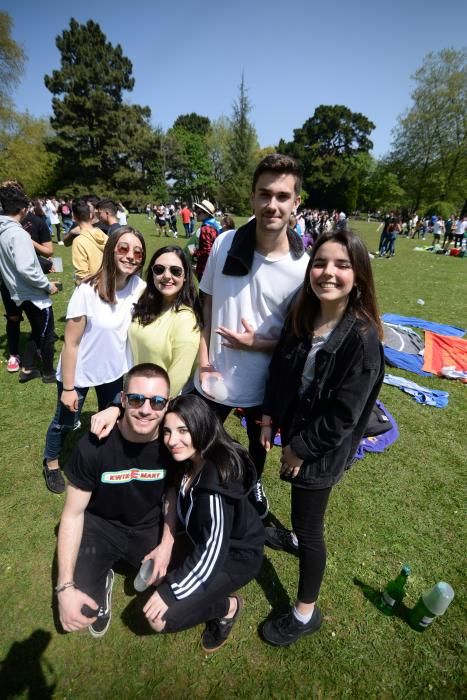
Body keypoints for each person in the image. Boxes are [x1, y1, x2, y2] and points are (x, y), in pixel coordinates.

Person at [259, 229, 384, 647]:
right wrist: (268, 418)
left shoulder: (362, 341)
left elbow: (343, 417)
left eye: (342, 265)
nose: (328, 273)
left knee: (310, 529)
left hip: (321, 450)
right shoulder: (304, 316)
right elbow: (281, 373)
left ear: (359, 276)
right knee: (300, 519)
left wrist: (297, 449)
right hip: (294, 433)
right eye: (320, 263)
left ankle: (304, 614)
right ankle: (292, 537)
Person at [194, 154, 309, 519]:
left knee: (258, 451)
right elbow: (206, 307)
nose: (272, 205)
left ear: (296, 203)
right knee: (199, 445)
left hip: (266, 386)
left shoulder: (302, 268)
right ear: (252, 197)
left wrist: (256, 344)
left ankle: (252, 484)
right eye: (264, 194)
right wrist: (204, 361)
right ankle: (198, 493)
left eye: (282, 196)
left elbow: (299, 342)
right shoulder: (226, 242)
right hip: (214, 376)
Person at [56, 363, 176, 639]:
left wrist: (167, 545)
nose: (146, 410)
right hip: (100, 527)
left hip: (147, 527)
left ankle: (131, 565)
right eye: (136, 399)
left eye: (157, 402)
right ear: (122, 400)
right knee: (83, 608)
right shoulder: (93, 445)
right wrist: (63, 587)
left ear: (167, 406)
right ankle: (104, 576)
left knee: (173, 595)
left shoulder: (174, 446)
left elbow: (172, 493)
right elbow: (73, 515)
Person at [142, 394, 264, 652]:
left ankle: (228, 607)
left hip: (235, 557)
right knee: (149, 565)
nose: (172, 440)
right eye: (167, 431)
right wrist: (167, 542)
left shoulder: (214, 484)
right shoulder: (190, 456)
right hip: (201, 538)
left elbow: (213, 551)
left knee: (159, 618)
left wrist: (170, 592)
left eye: (183, 430)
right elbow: (174, 488)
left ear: (201, 425)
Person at [42, 227, 146, 494]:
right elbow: (71, 343)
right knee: (64, 421)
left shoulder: (139, 288)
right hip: (78, 372)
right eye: (123, 248)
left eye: (137, 252)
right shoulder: (87, 290)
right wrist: (68, 388)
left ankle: (101, 464)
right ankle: (52, 462)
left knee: (110, 421)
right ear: (110, 249)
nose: (130, 256)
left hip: (113, 373)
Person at [0, 182, 59, 383]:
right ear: (23, 209)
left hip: (17, 292)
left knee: (37, 330)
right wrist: (46, 285)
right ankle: (49, 373)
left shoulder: (4, 231)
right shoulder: (18, 234)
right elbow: (26, 268)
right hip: (32, 293)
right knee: (47, 333)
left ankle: (27, 367)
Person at [128, 246, 202, 395]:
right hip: (137, 391)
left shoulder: (185, 319)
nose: (166, 276)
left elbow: (178, 375)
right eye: (159, 269)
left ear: (185, 276)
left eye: (175, 271)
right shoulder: (144, 299)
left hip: (160, 401)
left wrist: (156, 404)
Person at [71, 199, 107, 283]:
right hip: (108, 285)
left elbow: (82, 276)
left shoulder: (78, 241)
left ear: (74, 217)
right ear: (91, 215)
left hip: (92, 289)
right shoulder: (104, 236)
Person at [192, 200, 221, 280]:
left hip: (206, 268)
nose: (196, 214)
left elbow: (207, 251)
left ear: (207, 214)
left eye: (199, 213)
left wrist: (194, 253)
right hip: (217, 264)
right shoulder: (216, 224)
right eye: (196, 212)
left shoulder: (206, 229)